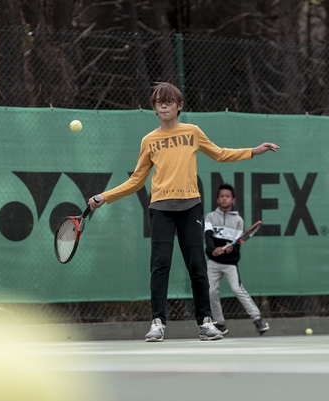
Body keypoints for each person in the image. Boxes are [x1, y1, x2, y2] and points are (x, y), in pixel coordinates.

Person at [88, 82, 278, 342]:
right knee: (160, 265)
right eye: (159, 102)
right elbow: (136, 181)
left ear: (179, 106)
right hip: (161, 209)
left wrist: (253, 151)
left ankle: (206, 323)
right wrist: (104, 196)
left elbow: (220, 154)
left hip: (190, 207)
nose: (164, 106)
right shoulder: (149, 140)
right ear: (155, 108)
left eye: (169, 102)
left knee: (197, 266)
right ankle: (157, 324)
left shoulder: (192, 132)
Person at [205, 183, 270, 336]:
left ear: (233, 199)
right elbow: (207, 238)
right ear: (217, 200)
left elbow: (237, 244)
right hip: (213, 263)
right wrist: (213, 250)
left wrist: (231, 249)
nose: (224, 199)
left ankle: (258, 320)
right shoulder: (210, 217)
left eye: (227, 196)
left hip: (230, 264)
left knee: (237, 289)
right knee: (211, 291)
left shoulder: (238, 220)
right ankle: (220, 324)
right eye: (221, 196)